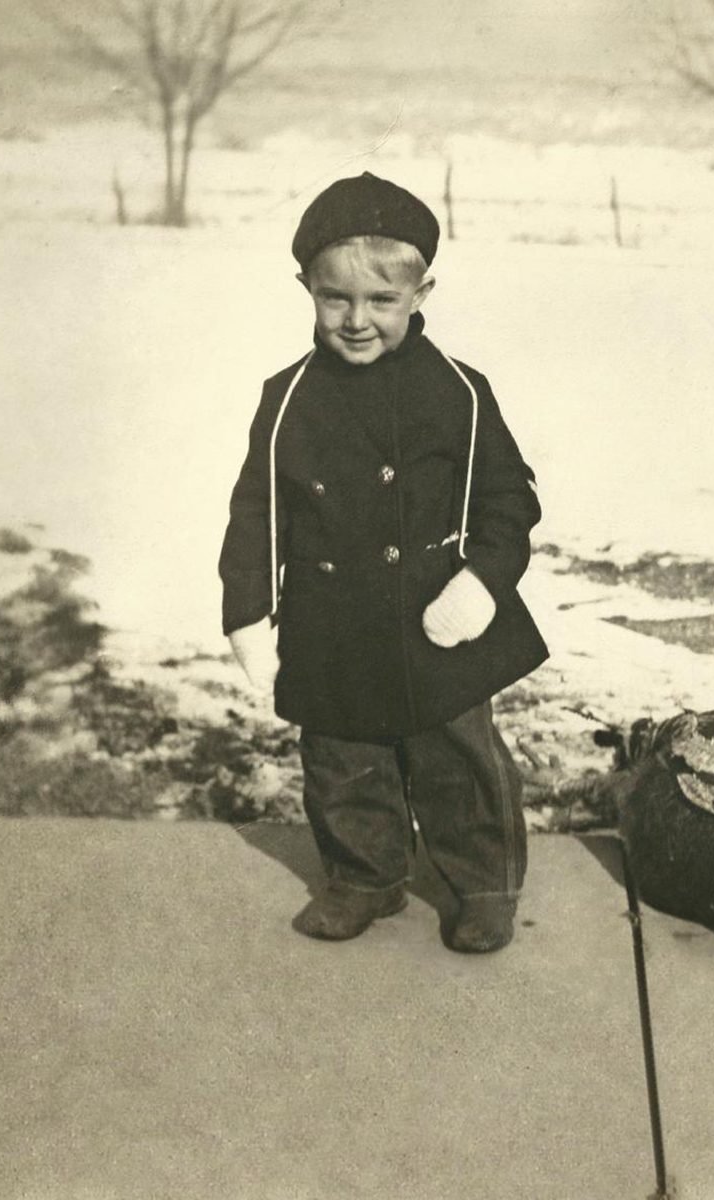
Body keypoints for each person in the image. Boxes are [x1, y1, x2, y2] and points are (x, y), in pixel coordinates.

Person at [219, 172, 548, 953]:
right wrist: (247, 615)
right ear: (307, 288)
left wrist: (483, 582)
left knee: (460, 765)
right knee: (342, 764)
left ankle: (484, 886)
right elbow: (257, 510)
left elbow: (511, 502)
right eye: (336, 298)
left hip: (438, 625)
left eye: (381, 301)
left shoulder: (459, 393)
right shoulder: (289, 397)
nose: (357, 320)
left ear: (420, 291)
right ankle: (365, 877)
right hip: (331, 624)